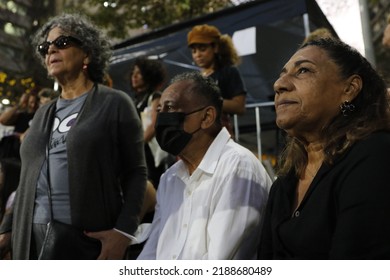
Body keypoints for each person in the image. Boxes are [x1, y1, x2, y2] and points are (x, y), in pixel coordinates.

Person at [0, 13, 147, 260]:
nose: (51, 51)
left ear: (87, 53)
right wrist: (7, 229)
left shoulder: (114, 102)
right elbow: (27, 179)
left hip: (85, 242)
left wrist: (123, 232)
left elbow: (136, 173)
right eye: (45, 47)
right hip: (29, 239)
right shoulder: (42, 112)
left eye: (62, 43)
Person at [258, 38, 390, 259]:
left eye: (303, 71)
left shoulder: (375, 155)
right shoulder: (284, 183)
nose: (279, 84)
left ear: (349, 88)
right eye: (283, 73)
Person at [137, 71, 272, 260]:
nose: (162, 119)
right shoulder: (169, 178)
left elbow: (219, 262)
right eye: (160, 110)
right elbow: (153, 252)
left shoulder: (238, 168)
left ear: (207, 117)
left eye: (170, 107)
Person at [187, 24, 246, 135]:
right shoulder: (195, 78)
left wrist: (207, 101)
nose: (197, 55)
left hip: (221, 133)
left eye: (202, 49)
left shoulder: (228, 71)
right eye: (194, 51)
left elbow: (239, 107)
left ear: (215, 47)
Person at [130, 57, 170, 188]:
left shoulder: (155, 96)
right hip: (140, 150)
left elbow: (154, 125)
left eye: (139, 73)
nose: (134, 76)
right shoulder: (135, 100)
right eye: (133, 73)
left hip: (150, 152)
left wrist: (136, 145)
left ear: (148, 76)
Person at [0, 92, 39, 160]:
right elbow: (3, 120)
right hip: (12, 151)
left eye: (36, 103)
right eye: (31, 102)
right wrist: (20, 104)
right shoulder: (22, 115)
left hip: (27, 152)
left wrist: (22, 135)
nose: (33, 105)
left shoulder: (39, 117)